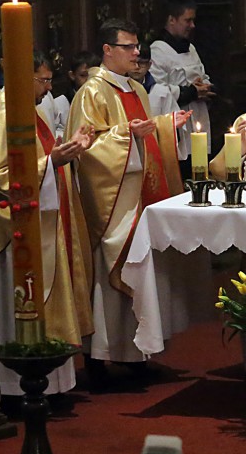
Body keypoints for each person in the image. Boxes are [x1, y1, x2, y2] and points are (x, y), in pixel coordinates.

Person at [65, 19, 191, 386]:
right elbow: (85, 149)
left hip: (141, 194)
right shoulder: (92, 92)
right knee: (111, 272)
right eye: (129, 47)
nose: (137, 53)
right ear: (107, 50)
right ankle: (100, 358)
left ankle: (136, 353)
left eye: (138, 47)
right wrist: (126, 134)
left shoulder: (136, 87)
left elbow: (146, 132)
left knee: (144, 270)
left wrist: (167, 126)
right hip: (112, 202)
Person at [0, 50, 95, 399]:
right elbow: (0, 179)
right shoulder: (3, 117)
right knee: (18, 307)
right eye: (43, 80)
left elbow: (42, 161)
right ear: (24, 78)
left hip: (42, 223)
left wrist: (68, 154)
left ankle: (50, 382)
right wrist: (53, 160)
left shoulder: (32, 113)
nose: (48, 87)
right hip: (16, 237)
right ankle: (13, 387)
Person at [149, 0, 215, 159]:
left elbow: (203, 75)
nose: (192, 25)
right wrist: (190, 92)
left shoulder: (190, 47)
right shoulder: (157, 51)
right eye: (187, 20)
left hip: (199, 117)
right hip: (177, 124)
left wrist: (205, 88)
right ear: (172, 19)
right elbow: (156, 92)